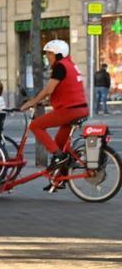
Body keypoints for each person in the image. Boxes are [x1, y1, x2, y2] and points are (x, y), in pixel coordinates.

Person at [18, 39, 89, 191]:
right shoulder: (70, 65)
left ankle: (59, 157)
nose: (48, 57)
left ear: (58, 55)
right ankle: (59, 179)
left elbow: (49, 90)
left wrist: (33, 101)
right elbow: (66, 90)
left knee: (35, 125)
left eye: (49, 54)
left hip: (71, 110)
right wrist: (45, 103)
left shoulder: (60, 66)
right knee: (59, 144)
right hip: (79, 108)